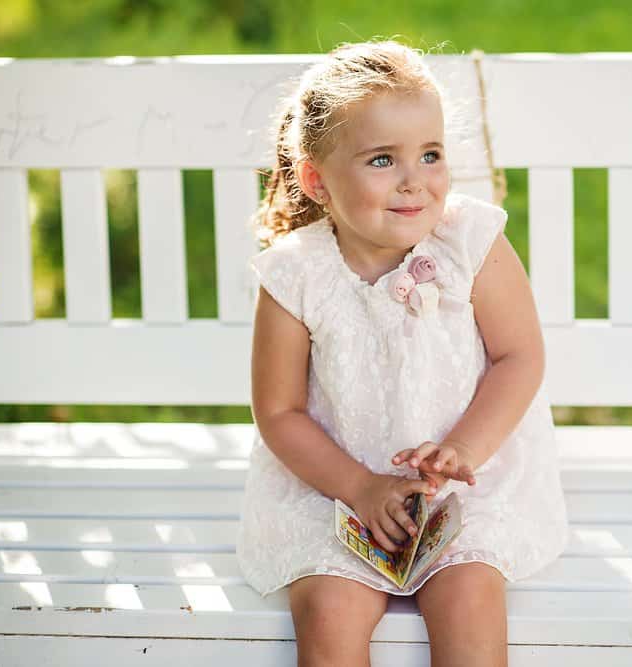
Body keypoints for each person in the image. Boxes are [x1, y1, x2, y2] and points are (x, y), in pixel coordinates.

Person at [236, 38, 570, 667]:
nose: (415, 180)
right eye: (383, 159)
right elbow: (278, 412)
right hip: (335, 484)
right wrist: (359, 487)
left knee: (469, 598)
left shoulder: (470, 241)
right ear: (318, 180)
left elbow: (518, 357)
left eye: (431, 154)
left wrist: (464, 449)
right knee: (328, 614)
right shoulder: (295, 274)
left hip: (464, 478)